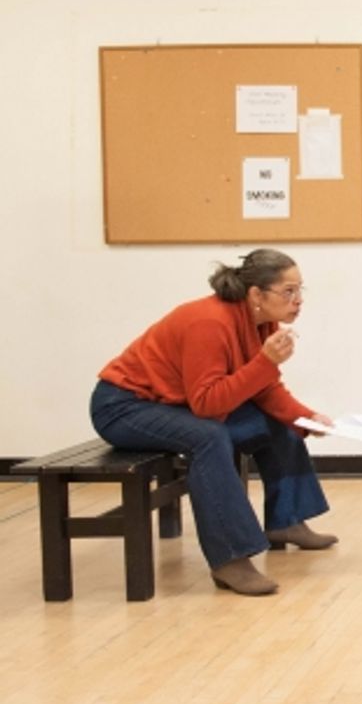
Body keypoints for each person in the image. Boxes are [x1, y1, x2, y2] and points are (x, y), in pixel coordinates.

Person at [89, 249, 339, 596]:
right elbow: (207, 405)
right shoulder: (209, 322)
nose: (298, 300)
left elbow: (264, 388)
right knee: (208, 437)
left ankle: (287, 520)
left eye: (300, 291)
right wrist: (265, 363)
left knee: (279, 421)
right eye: (288, 291)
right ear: (256, 294)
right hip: (124, 407)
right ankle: (230, 558)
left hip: (173, 403)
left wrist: (305, 416)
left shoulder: (261, 322)